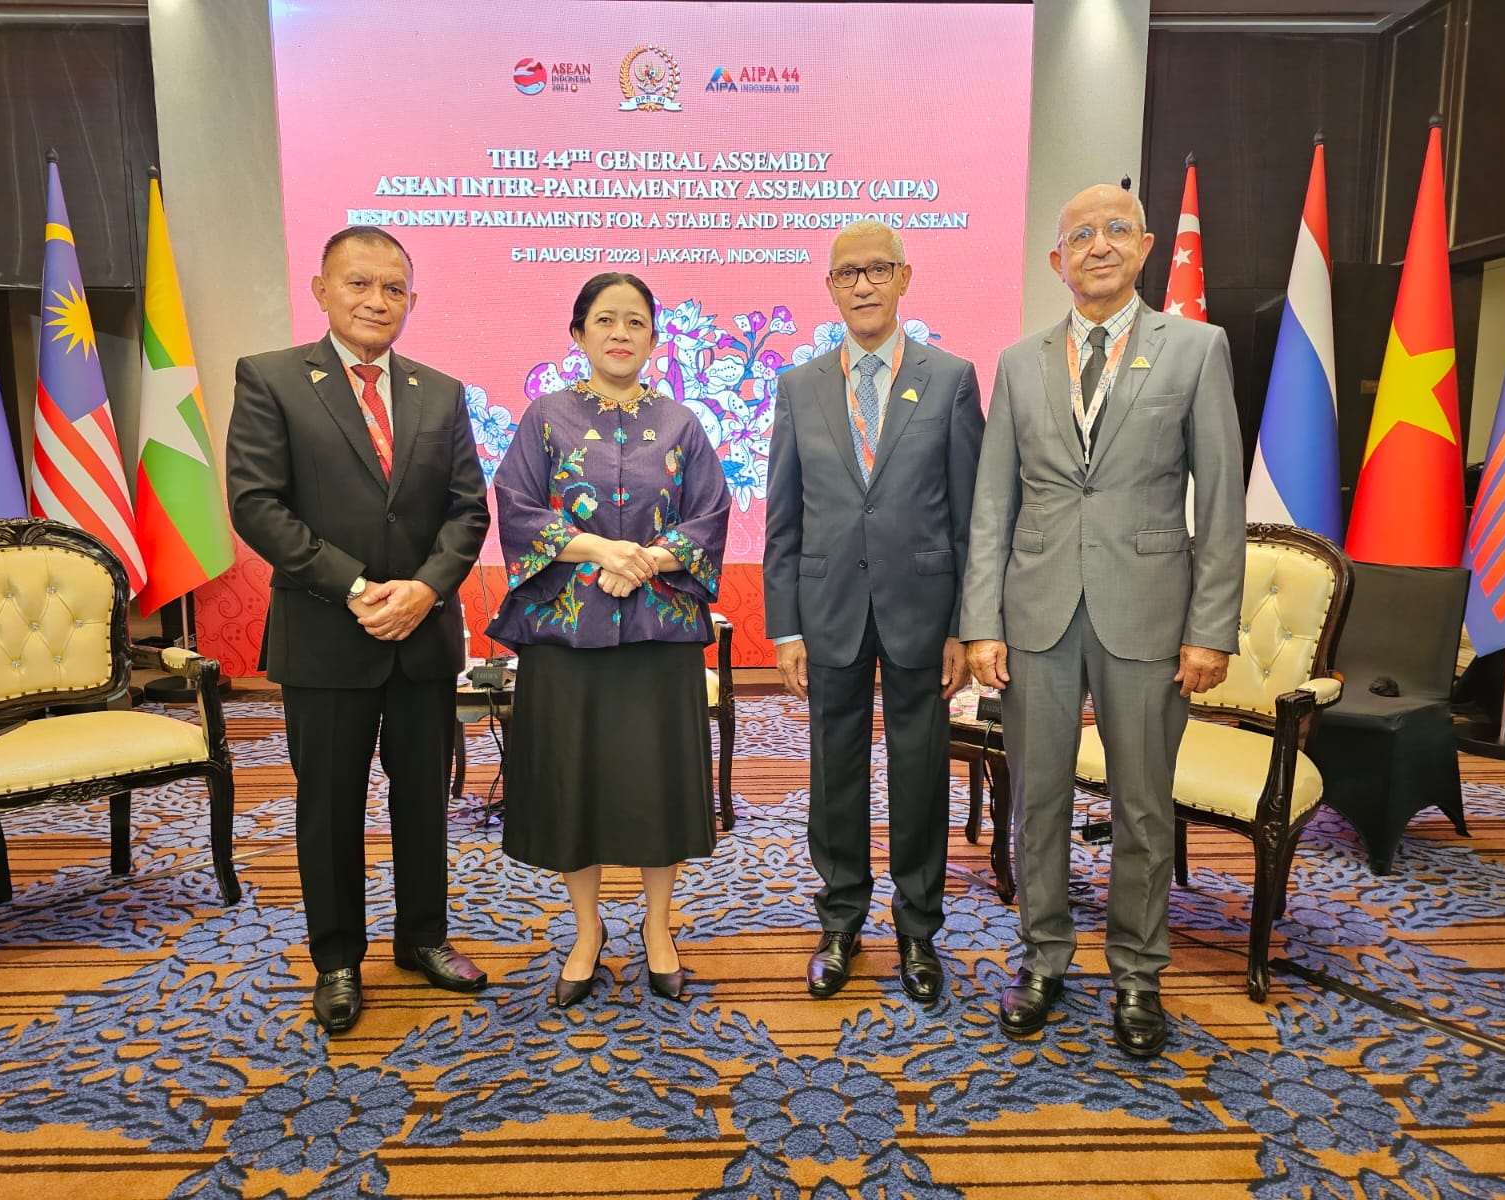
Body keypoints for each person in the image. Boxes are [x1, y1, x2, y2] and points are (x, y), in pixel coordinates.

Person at [961, 184, 1246, 1057]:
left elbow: (1221, 500)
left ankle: (1137, 974)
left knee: (1143, 808)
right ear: (1057, 260)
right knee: (1037, 801)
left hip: (1150, 615)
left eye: (1116, 230)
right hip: (1036, 615)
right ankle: (1043, 957)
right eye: (1080, 234)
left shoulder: (1196, 349)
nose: (1098, 245)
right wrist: (981, 621)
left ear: (1146, 246)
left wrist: (1211, 629)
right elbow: (992, 505)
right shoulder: (1019, 363)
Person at [227, 226, 492, 1034]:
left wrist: (425, 588)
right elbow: (257, 504)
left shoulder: (440, 392)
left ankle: (423, 938)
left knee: (423, 802)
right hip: (325, 637)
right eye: (359, 283)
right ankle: (338, 959)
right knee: (330, 809)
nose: (378, 301)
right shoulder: (272, 378)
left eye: (394, 288)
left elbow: (467, 510)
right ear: (321, 290)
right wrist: (353, 586)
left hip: (422, 635)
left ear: (411, 299)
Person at [486, 271, 731, 1007]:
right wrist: (601, 551)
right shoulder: (545, 417)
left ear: (654, 338)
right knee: (576, 786)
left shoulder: (683, 423)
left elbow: (710, 514)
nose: (621, 333)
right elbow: (516, 507)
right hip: (568, 636)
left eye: (635, 322)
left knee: (658, 786)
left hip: (659, 636)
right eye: (605, 320)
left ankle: (658, 927)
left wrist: (647, 561)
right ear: (578, 333)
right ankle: (587, 928)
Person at [763, 219, 984, 1004]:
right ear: (830, 288)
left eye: (877, 270)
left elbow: (970, 515)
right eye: (847, 273)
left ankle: (918, 929)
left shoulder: (951, 378)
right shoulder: (798, 386)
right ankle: (841, 921)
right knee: (835, 773)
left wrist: (963, 625)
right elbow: (783, 517)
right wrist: (786, 626)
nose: (862, 285)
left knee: (920, 775)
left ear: (904, 278)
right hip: (827, 610)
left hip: (924, 611)